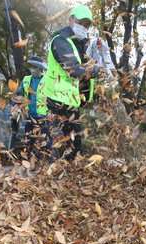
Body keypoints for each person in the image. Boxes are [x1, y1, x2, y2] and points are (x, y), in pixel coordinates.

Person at [43, 4, 101, 161]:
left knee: (75, 145)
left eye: (87, 25)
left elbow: (85, 66)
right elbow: (73, 69)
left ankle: (73, 178)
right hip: (57, 102)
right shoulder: (60, 41)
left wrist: (94, 53)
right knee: (59, 145)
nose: (84, 27)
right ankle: (55, 179)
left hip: (71, 102)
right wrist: (96, 70)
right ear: (71, 20)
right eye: (81, 22)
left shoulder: (79, 43)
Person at [17, 56, 51, 161]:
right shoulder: (26, 80)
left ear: (38, 68)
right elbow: (20, 94)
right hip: (30, 116)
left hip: (44, 116)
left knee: (46, 140)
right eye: (30, 66)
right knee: (30, 140)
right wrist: (18, 105)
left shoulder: (48, 80)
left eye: (33, 67)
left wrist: (51, 111)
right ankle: (32, 161)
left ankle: (49, 161)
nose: (31, 68)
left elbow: (53, 97)